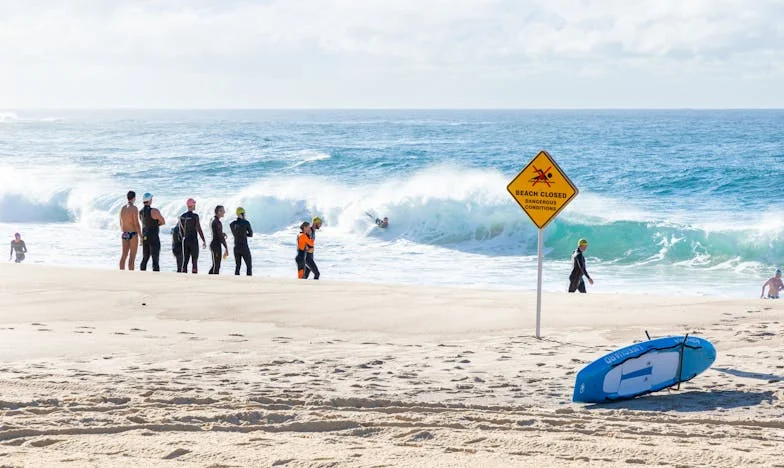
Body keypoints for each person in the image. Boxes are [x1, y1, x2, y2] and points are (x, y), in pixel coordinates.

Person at [139, 193, 165, 272]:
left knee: (145, 258)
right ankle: (156, 277)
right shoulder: (154, 211)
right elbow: (163, 222)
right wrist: (155, 225)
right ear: (150, 200)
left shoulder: (140, 212)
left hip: (145, 236)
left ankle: (142, 275)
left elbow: (144, 223)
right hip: (153, 237)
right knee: (155, 259)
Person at [178, 198, 206, 273]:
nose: (195, 205)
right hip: (193, 240)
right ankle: (194, 277)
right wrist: (203, 240)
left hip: (185, 240)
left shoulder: (182, 216)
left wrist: (183, 239)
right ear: (192, 205)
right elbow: (199, 229)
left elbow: (181, 231)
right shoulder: (195, 216)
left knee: (185, 261)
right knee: (194, 260)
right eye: (194, 204)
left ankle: (183, 277)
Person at [119, 190, 142, 270]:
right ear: (134, 198)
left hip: (124, 233)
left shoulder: (123, 208)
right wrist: (141, 236)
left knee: (124, 255)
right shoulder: (134, 208)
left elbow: (121, 222)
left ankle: (121, 273)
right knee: (132, 257)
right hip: (133, 234)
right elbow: (136, 223)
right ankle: (131, 275)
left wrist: (124, 230)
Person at [229, 207, 253, 276]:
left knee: (238, 266)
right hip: (244, 247)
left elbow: (235, 234)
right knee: (248, 265)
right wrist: (244, 234)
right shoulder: (246, 222)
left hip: (236, 247)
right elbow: (251, 234)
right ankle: (249, 280)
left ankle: (236, 282)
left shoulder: (232, 224)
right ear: (242, 213)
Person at [207, 205, 229, 275]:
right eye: (223, 211)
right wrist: (226, 247)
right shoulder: (217, 222)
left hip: (213, 244)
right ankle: (214, 281)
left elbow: (216, 232)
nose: (224, 212)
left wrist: (222, 233)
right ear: (219, 212)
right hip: (216, 245)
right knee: (216, 265)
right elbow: (220, 237)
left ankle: (208, 278)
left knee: (215, 265)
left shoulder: (212, 219)